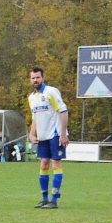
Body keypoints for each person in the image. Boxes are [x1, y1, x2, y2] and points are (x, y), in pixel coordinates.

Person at [27, 66, 69, 209]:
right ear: (30, 80)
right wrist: (32, 133)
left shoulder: (51, 92)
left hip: (55, 135)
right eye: (33, 78)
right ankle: (44, 199)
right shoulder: (31, 98)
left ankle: (54, 200)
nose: (35, 80)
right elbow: (35, 118)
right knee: (44, 164)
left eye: (38, 77)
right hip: (43, 136)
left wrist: (63, 134)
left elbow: (63, 112)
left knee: (56, 164)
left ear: (42, 78)